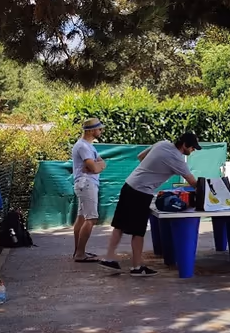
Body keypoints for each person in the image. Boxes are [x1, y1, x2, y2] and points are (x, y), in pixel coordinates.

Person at [103, 133, 201, 276]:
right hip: (141, 192)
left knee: (119, 224)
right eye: (192, 148)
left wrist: (153, 168)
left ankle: (109, 257)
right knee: (138, 231)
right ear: (184, 145)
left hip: (129, 184)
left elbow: (141, 157)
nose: (193, 151)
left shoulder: (162, 143)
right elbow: (194, 183)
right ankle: (137, 267)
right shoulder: (177, 159)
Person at [71, 117, 107, 262]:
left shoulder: (88, 146)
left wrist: (98, 167)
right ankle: (80, 254)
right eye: (99, 129)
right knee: (91, 218)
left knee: (81, 218)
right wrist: (96, 167)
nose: (101, 131)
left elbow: (100, 164)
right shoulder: (83, 147)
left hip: (85, 183)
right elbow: (93, 167)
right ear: (91, 130)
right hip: (87, 184)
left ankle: (78, 251)